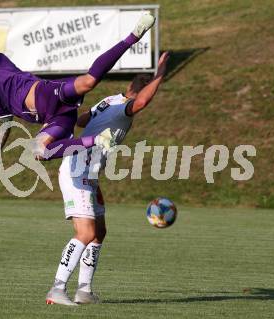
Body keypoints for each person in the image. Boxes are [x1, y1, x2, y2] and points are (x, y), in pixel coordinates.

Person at [0, 13, 155, 166]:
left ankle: (132, 36)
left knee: (88, 81)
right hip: (57, 117)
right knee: (39, 151)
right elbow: (5, 125)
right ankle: (97, 141)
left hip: (44, 94)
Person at [46, 52, 170, 305]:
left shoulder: (109, 100)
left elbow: (81, 121)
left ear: (128, 86)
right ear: (142, 91)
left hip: (88, 173)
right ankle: (57, 289)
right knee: (85, 232)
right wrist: (160, 75)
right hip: (78, 170)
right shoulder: (125, 108)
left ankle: (84, 291)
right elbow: (142, 102)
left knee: (99, 231)